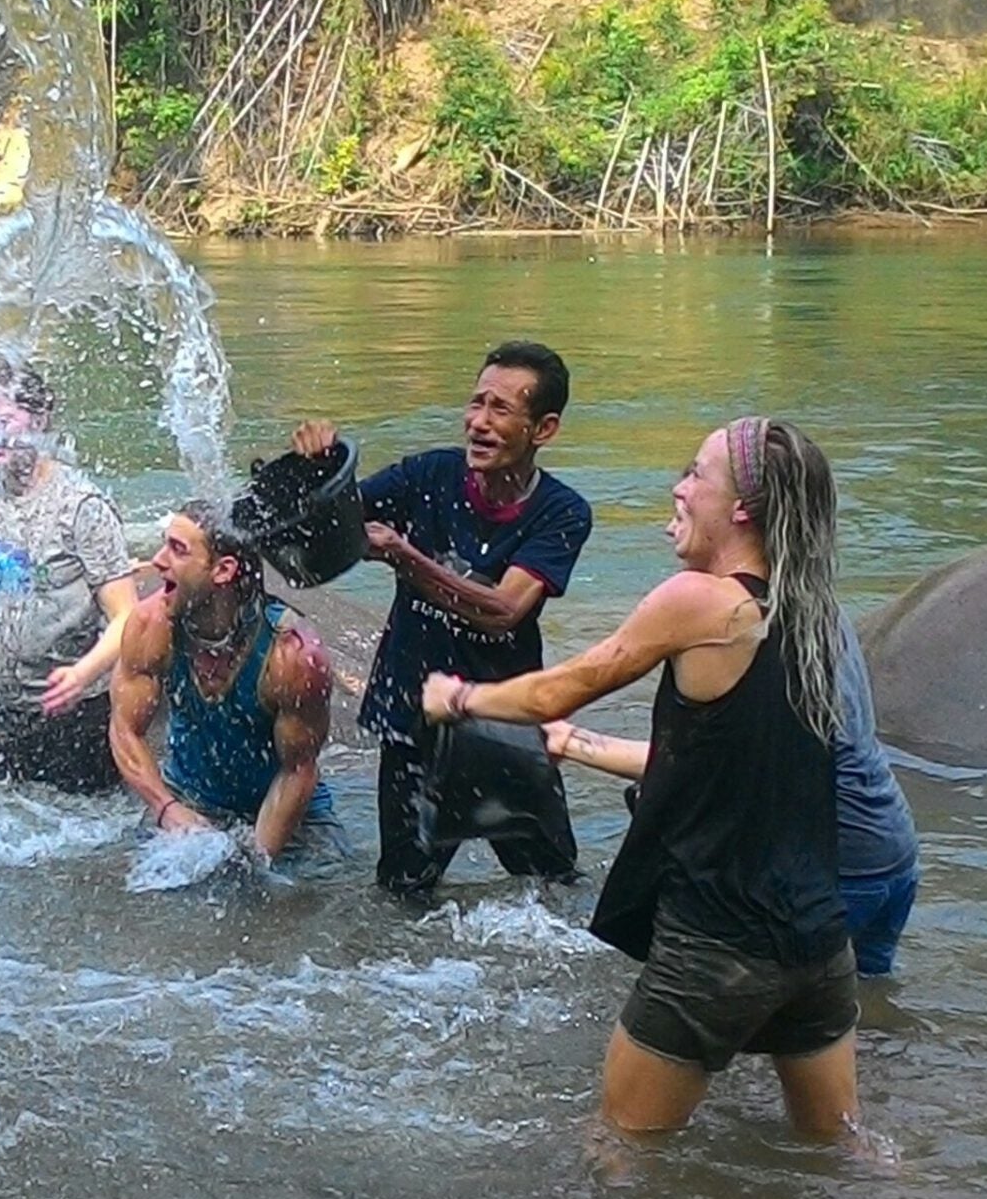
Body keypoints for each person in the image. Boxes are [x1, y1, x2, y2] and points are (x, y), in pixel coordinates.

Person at [417, 417, 860, 1140]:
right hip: (817, 943)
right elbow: (723, 766)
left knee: (620, 1151)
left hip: (716, 945)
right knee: (841, 1150)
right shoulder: (807, 613)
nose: (679, 489)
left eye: (695, 474)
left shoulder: (701, 601)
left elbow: (558, 687)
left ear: (742, 508)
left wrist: (459, 698)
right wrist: (581, 746)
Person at [298, 340, 594, 897]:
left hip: (504, 727)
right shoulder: (428, 475)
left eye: (501, 410)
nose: (478, 422)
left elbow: (504, 612)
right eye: (476, 402)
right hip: (410, 717)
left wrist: (406, 557)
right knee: (402, 894)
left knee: (555, 893)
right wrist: (323, 468)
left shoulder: (562, 511)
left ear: (544, 429)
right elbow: (329, 527)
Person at [542, 620, 921, 978]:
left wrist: (570, 741)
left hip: (833, 868)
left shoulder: (752, 632)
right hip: (892, 845)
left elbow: (707, 766)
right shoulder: (818, 608)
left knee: (751, 1017)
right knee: (863, 1005)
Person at [107, 501, 357, 870]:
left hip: (290, 816)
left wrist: (256, 863)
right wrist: (168, 809)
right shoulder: (150, 625)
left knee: (306, 900)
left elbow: (298, 771)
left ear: (223, 570)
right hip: (187, 799)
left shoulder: (293, 654)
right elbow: (124, 730)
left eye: (177, 549)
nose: (157, 560)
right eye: (164, 544)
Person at [0, 372, 140, 792]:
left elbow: (127, 616)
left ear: (40, 420)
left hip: (72, 710)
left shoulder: (82, 505)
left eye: (4, 421)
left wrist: (82, 674)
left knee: (88, 843)